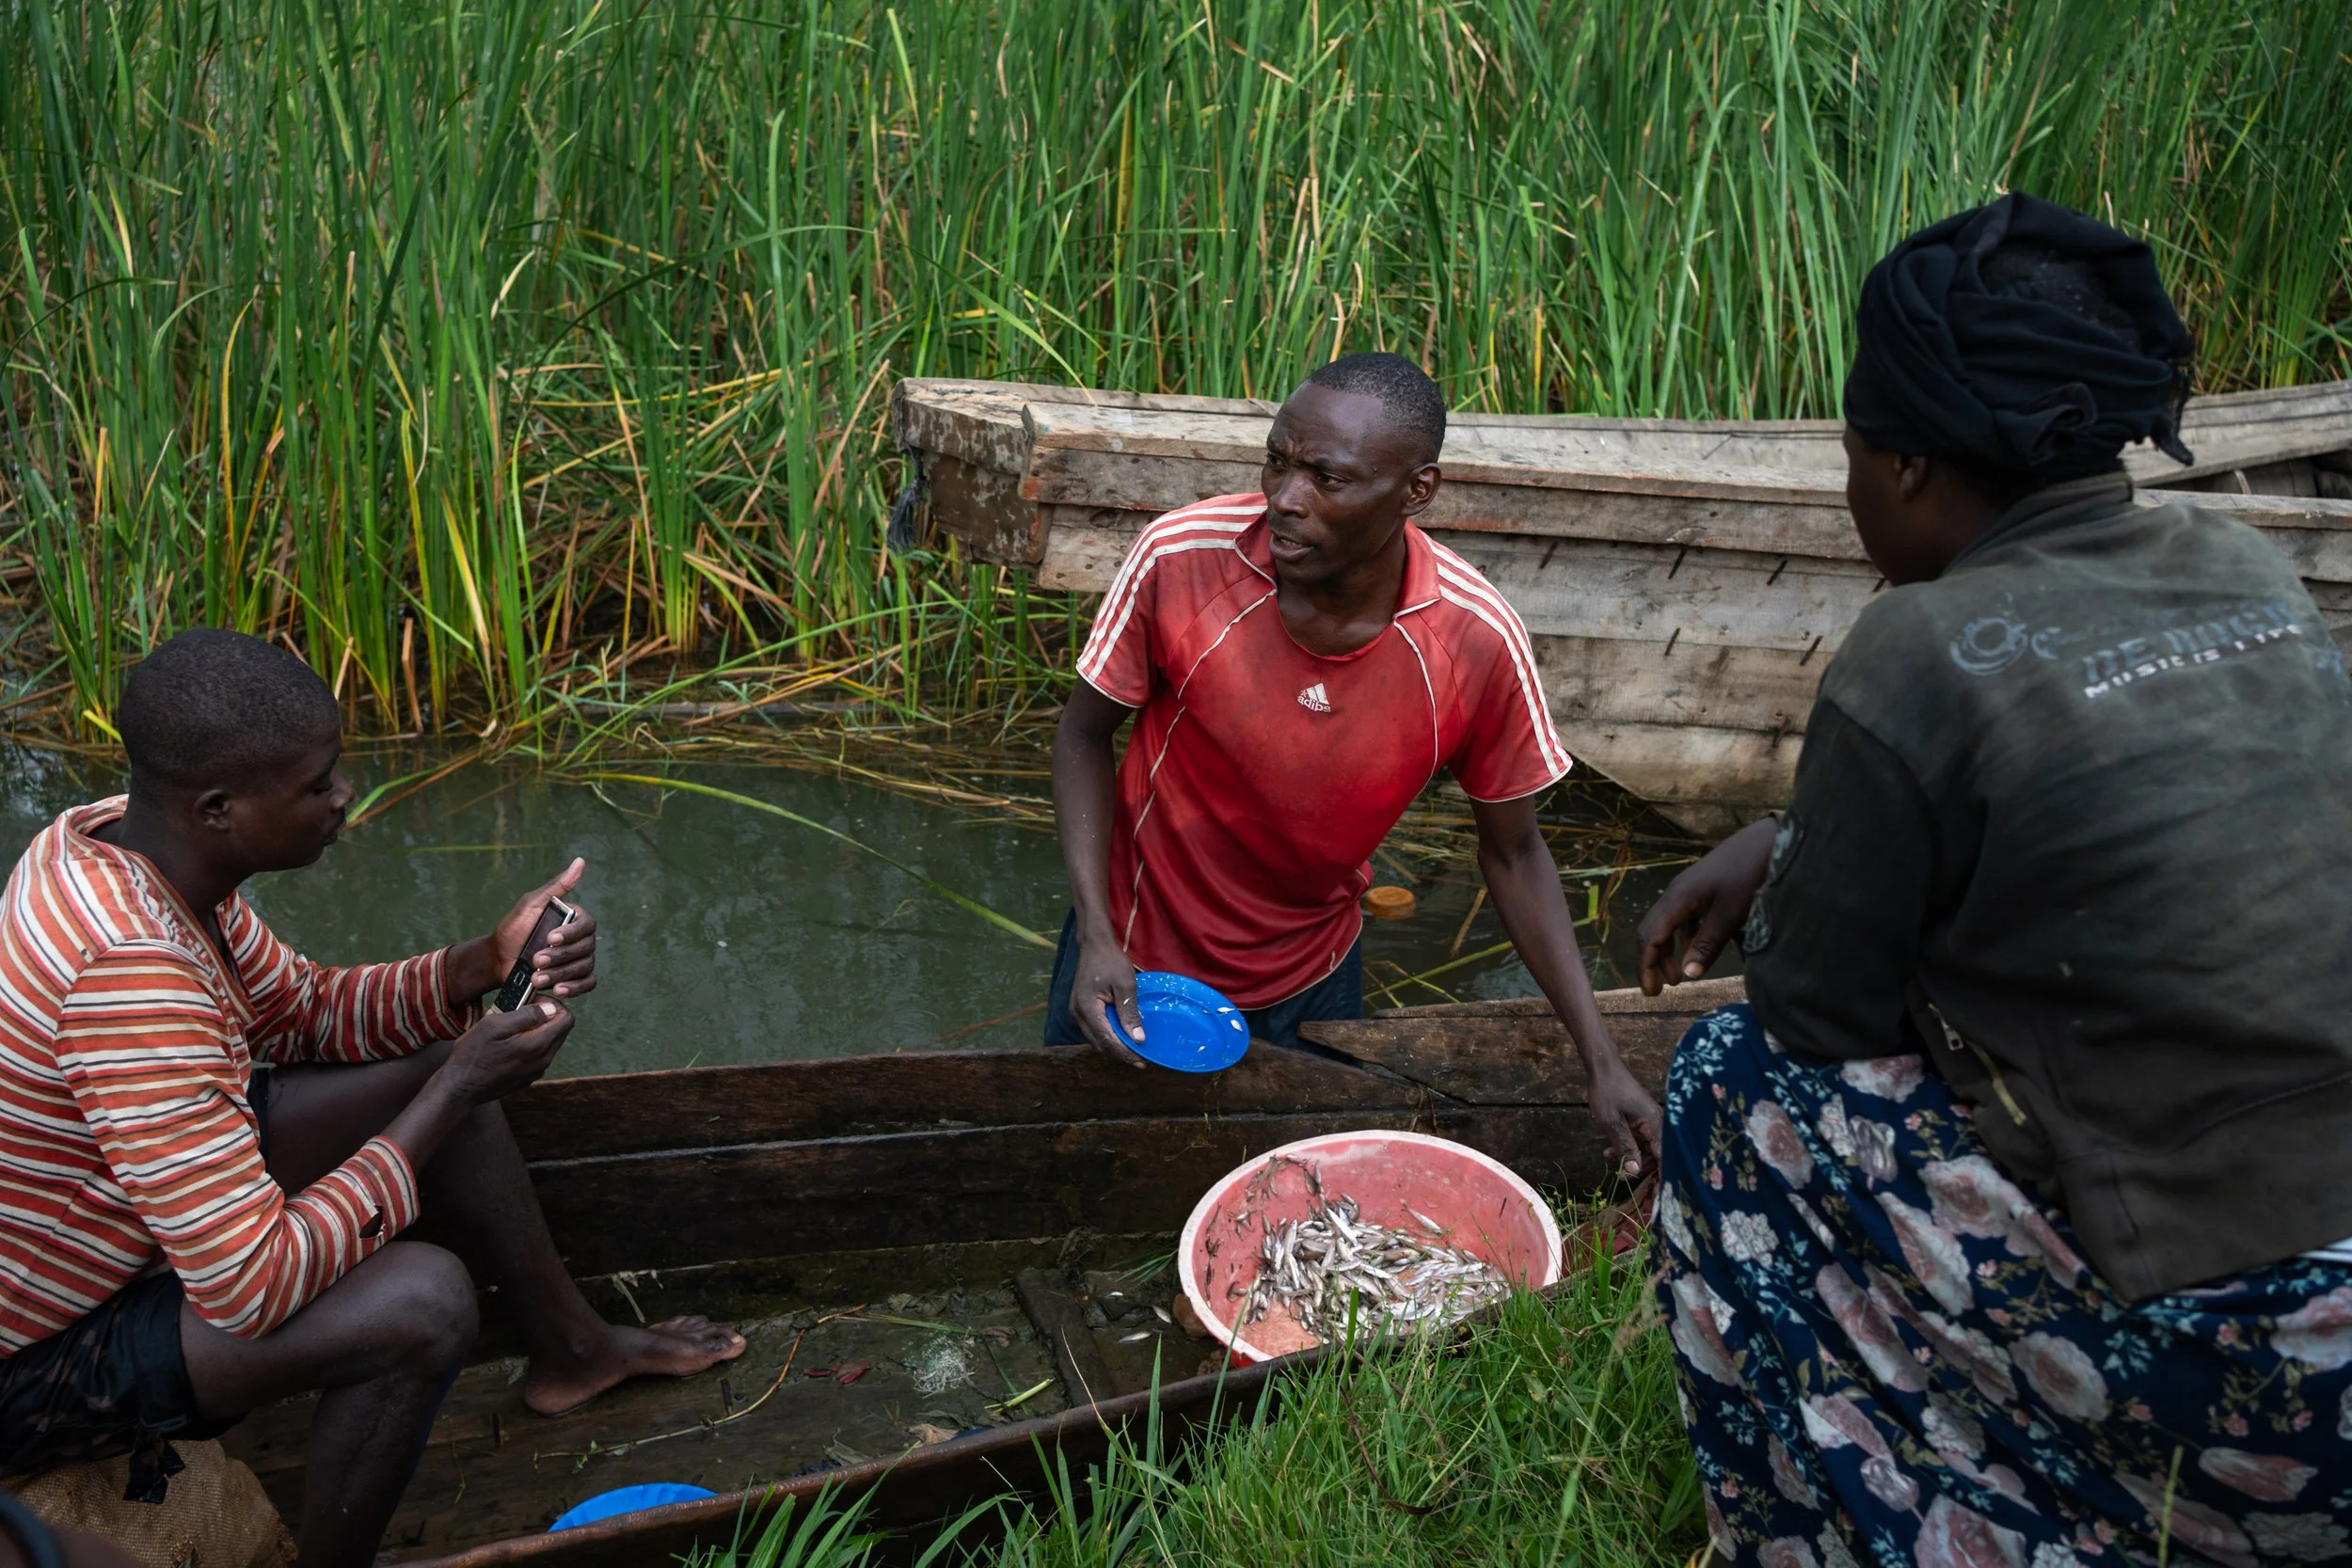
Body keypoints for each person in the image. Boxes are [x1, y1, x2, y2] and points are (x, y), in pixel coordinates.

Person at [1636, 194, 2352, 1566]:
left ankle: (1840, 1516)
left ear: (1903, 468)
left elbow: (1818, 1011)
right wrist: (1795, 829)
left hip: (2269, 1381)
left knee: (1732, 1083)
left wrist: (1813, 866)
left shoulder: (1918, 645)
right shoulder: (2242, 561)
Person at [0, 631, 745, 1567]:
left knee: (429, 1061)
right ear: (221, 808)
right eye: (317, 784)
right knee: (423, 1301)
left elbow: (305, 1012)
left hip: (132, 1224)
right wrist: (456, 1085)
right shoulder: (129, 971)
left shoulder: (129, 842)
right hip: (31, 1360)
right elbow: (249, 1283)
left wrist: (483, 961)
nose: (344, 795)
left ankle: (574, 1350)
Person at [1048, 351, 1660, 1173]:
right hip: (1130, 952)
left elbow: (1514, 851)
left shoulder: (1472, 642)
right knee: (1080, 1167)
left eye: (1326, 479)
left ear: (1417, 490)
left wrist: (1601, 1058)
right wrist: (1093, 932)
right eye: (1276, 461)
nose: (1284, 501)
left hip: (1313, 975)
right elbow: (1083, 736)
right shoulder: (1183, 557)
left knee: (1292, 1196)